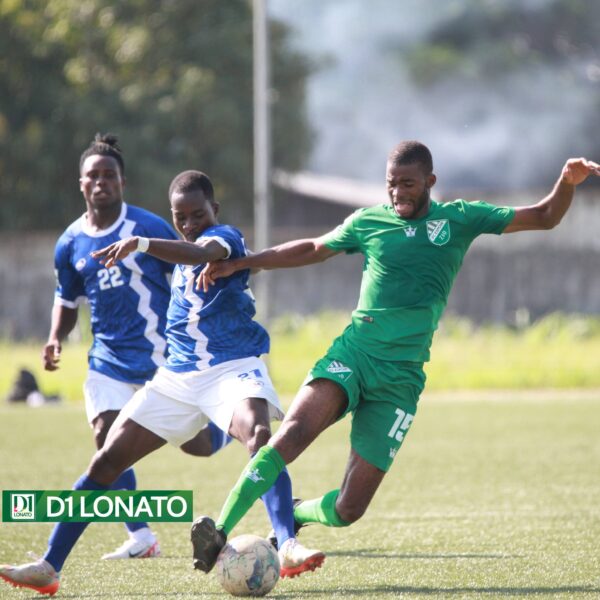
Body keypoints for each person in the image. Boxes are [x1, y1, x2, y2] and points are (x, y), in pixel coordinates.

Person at [186, 141, 600, 573]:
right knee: (290, 435)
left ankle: (296, 513)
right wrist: (243, 263)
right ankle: (219, 530)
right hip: (354, 354)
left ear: (430, 182)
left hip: (400, 381)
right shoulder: (369, 221)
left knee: (349, 508)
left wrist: (566, 183)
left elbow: (545, 216)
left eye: (408, 184)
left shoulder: (460, 218)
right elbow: (313, 248)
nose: (398, 193)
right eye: (391, 184)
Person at [0, 169, 323, 597]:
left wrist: (142, 243)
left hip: (232, 368)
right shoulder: (169, 255)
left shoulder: (224, 237)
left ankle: (288, 543)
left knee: (260, 436)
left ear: (214, 210)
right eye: (180, 217)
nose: (189, 224)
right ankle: (48, 566)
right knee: (107, 459)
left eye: (197, 214)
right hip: (177, 377)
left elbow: (202, 251)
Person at [38, 134, 232, 564]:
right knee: (106, 440)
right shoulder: (70, 242)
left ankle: (230, 425)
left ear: (122, 182)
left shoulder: (147, 228)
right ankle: (141, 535)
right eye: (93, 175)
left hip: (160, 357)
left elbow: (191, 266)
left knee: (198, 446)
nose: (101, 182)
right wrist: (55, 337)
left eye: (109, 175)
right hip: (106, 360)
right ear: (81, 183)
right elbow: (66, 300)